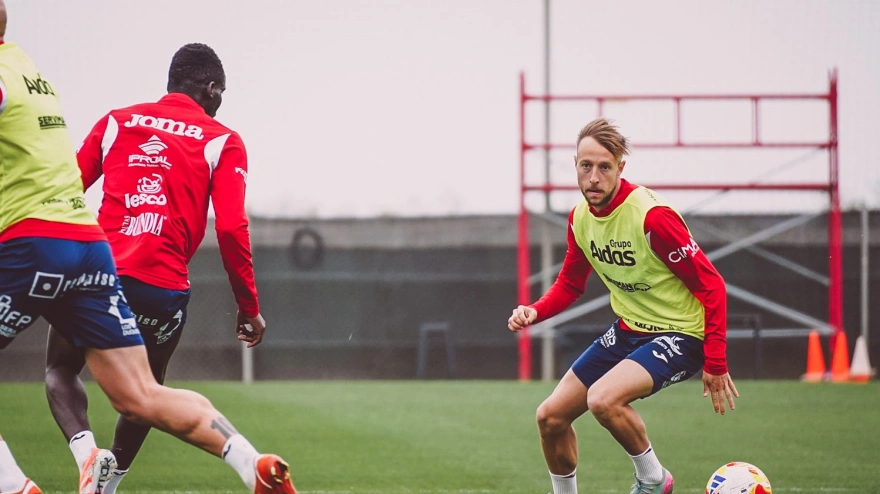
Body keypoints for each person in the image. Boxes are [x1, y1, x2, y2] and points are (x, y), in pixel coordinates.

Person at [0, 3, 296, 493]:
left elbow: (67, 183)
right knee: (145, 396)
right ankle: (245, 463)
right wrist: (249, 307)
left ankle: (75, 459)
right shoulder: (222, 139)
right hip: (151, 284)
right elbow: (231, 227)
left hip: (94, 260)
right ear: (212, 90)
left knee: (58, 369)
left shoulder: (118, 121)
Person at [508, 118, 738, 494]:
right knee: (550, 417)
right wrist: (535, 310)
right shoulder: (580, 218)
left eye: (604, 167)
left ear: (620, 168)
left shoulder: (652, 218)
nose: (594, 177)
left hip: (682, 334)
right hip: (630, 330)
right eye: (586, 166)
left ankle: (653, 478)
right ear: (576, 167)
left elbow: (711, 284)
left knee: (603, 399)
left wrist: (715, 361)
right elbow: (570, 283)